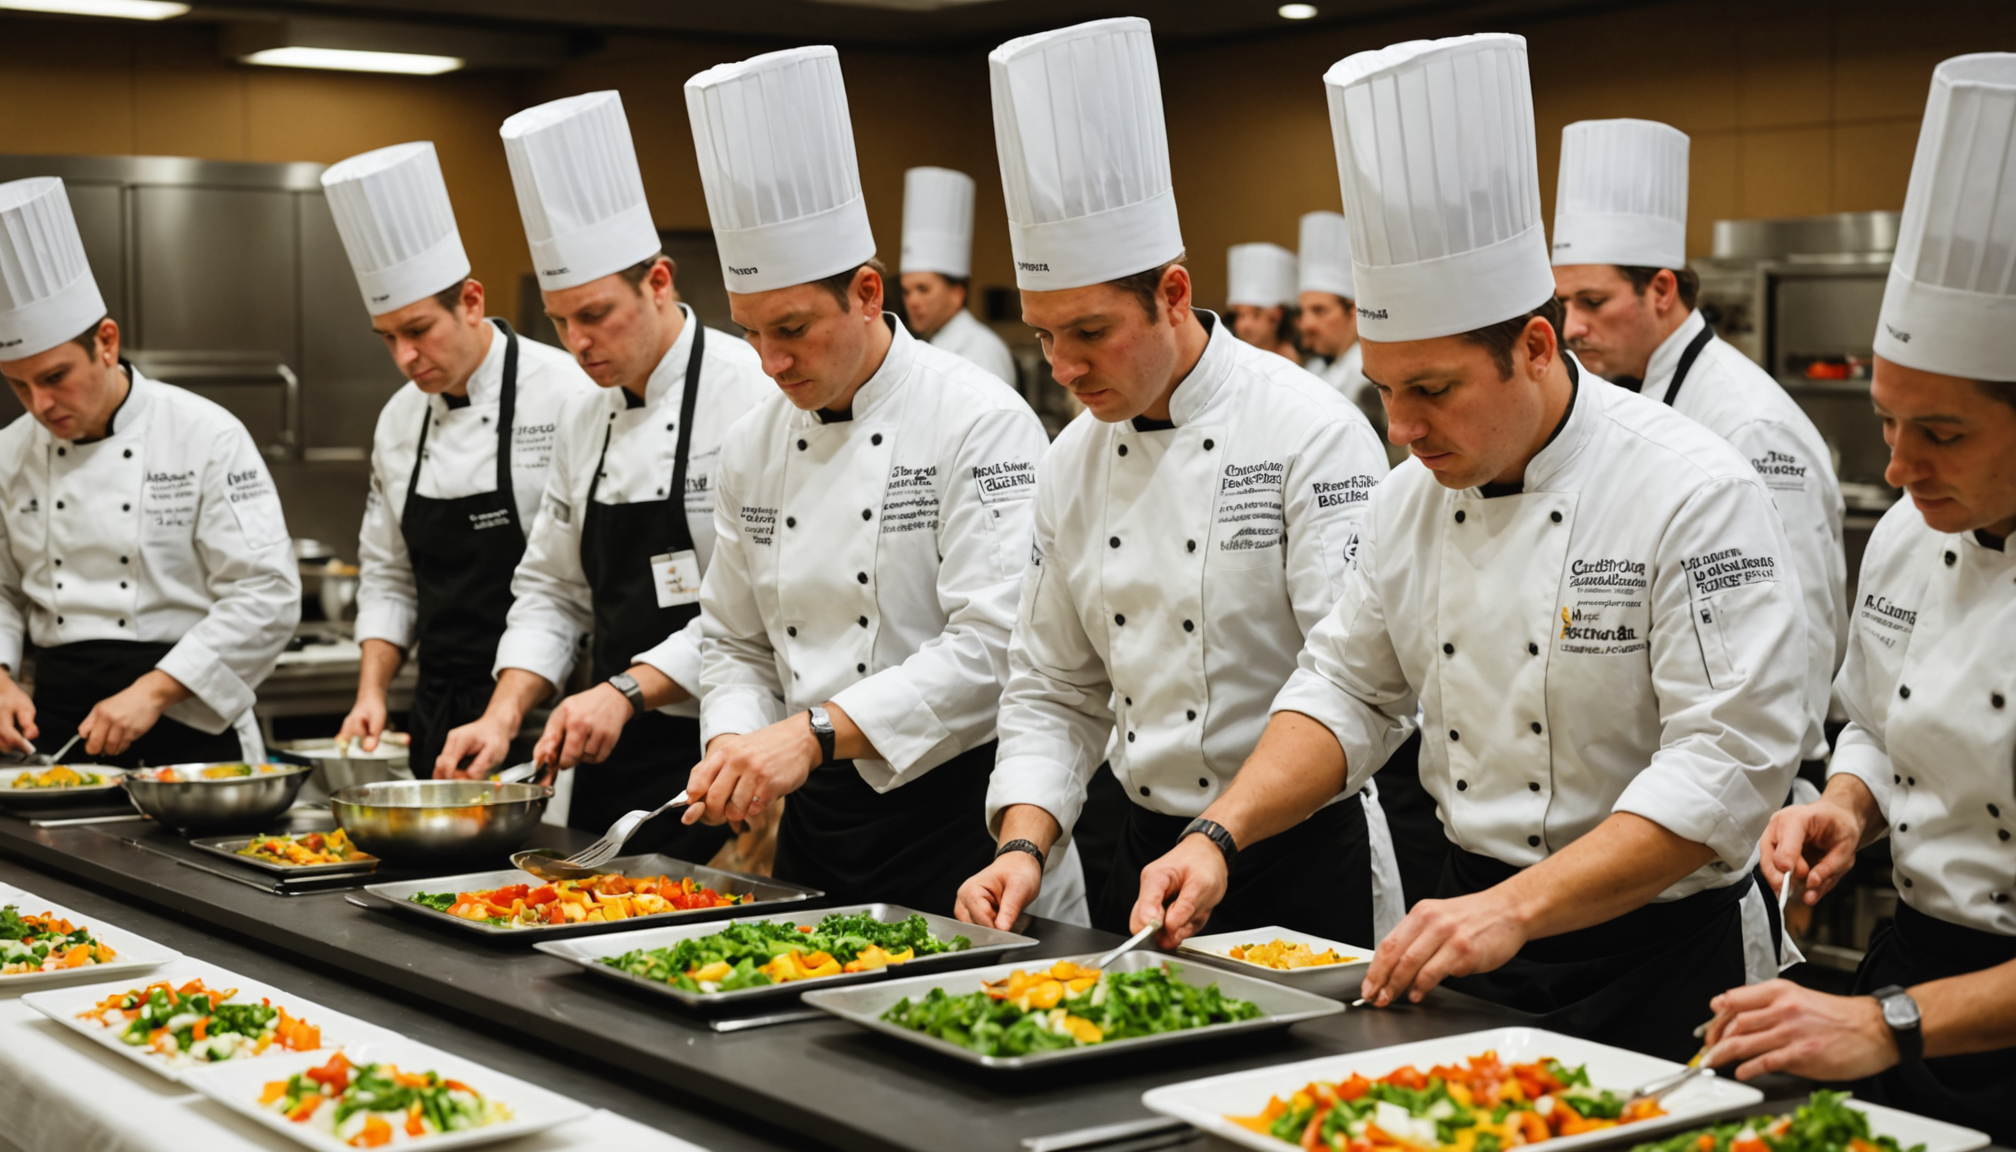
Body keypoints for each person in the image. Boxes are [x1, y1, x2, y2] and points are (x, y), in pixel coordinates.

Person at [1128, 33, 1808, 1063]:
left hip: (1658, 962)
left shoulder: (1692, 487)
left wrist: (1521, 907)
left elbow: (1722, 767)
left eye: (1433, 390)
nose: (1400, 425)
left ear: (1537, 348)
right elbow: (1347, 691)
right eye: (1387, 387)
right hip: (1466, 938)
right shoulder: (1410, 502)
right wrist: (1220, 833)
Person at [953, 17, 1401, 945]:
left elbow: (1360, 684)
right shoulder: (1073, 459)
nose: (1062, 366)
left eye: (1088, 332)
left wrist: (1220, 831)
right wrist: (1024, 845)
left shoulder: (1309, 430)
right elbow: (1052, 686)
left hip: (1297, 853)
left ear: (1170, 293)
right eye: (1042, 335)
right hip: (1140, 849)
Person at [673, 46, 1072, 920]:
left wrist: (812, 734)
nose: (772, 363)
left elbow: (996, 646)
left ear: (863, 291)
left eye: (793, 328)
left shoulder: (978, 418)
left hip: (961, 824)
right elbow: (733, 642)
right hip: (816, 823)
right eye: (750, 333)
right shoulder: (751, 442)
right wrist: (737, 747)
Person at [1701, 54, 2016, 1143]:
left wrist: (1885, 1022)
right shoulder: (1904, 534)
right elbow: (1877, 722)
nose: (1898, 467)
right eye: (1888, 423)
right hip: (1918, 968)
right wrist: (1845, 806)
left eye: (1941, 432)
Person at [434, 92, 771, 865]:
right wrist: (502, 713)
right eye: (559, 321)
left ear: (658, 281)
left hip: (731, 744)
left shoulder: (749, 394)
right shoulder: (585, 417)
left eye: (595, 314)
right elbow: (552, 589)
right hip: (604, 739)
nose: (578, 343)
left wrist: (624, 690)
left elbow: (747, 614)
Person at [1552, 118, 1846, 788]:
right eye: (1564, 303)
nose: (1572, 328)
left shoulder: (1748, 426)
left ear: (1661, 290)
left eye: (1593, 302)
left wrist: (1784, 790)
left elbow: (1793, 629)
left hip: (1749, 774)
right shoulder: (1623, 398)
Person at [0, 176, 298, 766]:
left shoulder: (204, 434)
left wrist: (154, 690)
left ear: (106, 342)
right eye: (17, 384)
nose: (39, 404)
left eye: (55, 377)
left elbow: (267, 592)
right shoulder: (9, 452)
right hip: (55, 735)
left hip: (187, 727)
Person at [323, 142, 595, 774]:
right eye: (387, 338)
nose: (405, 358)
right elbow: (390, 573)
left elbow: (570, 584)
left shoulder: (567, 394)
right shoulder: (398, 418)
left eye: (418, 330)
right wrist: (372, 692)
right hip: (438, 705)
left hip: (548, 704)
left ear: (471, 302)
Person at [898, 166, 1017, 386]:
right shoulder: (929, 346)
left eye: (923, 289)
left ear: (957, 293)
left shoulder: (981, 350)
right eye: (906, 291)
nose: (912, 301)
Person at [1225, 242, 1301, 363]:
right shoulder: (1234, 359)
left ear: (1277, 315)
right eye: (1240, 315)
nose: (1244, 325)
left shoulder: (1287, 362)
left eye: (1256, 315)